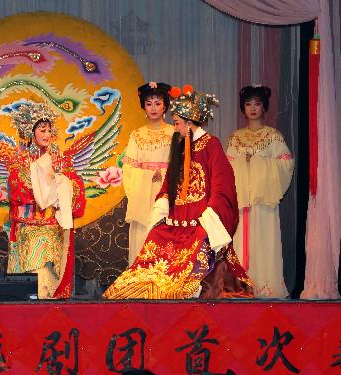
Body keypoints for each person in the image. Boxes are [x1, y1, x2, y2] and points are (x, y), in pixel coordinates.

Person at [104, 85, 253, 299]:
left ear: (189, 123)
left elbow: (223, 185)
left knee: (199, 245)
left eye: (177, 124)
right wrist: (162, 204)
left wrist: (210, 215)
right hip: (177, 219)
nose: (175, 128)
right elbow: (169, 184)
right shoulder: (180, 146)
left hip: (200, 220)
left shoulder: (211, 145)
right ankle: (144, 288)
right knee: (156, 236)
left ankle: (189, 287)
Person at [0, 101, 86, 299]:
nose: (46, 134)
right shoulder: (19, 161)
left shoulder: (61, 160)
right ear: (31, 132)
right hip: (28, 224)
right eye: (41, 130)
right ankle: (32, 299)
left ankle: (49, 300)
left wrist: (62, 184)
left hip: (51, 223)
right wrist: (45, 189)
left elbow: (76, 189)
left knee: (51, 269)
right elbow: (16, 192)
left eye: (49, 130)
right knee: (33, 266)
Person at [226, 85, 294, 298]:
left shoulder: (273, 136)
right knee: (239, 241)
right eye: (248, 104)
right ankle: (241, 285)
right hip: (241, 200)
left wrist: (257, 162)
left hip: (263, 200)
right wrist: (243, 164)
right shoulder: (235, 138)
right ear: (243, 108)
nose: (253, 108)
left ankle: (267, 287)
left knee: (264, 240)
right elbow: (227, 168)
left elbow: (286, 163)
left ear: (264, 107)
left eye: (257, 103)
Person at [123, 82, 174, 265]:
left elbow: (181, 167)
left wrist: (163, 172)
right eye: (149, 103)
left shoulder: (174, 133)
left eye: (158, 103)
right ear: (143, 106)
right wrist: (145, 176)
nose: (153, 108)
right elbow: (128, 170)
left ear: (165, 105)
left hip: (166, 194)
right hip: (142, 196)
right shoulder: (136, 135)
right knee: (142, 237)